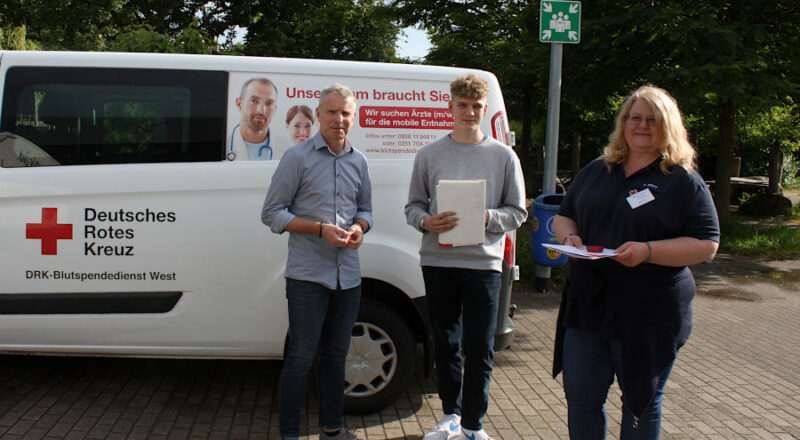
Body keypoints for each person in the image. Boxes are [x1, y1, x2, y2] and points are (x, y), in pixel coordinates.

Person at [551, 85, 720, 440]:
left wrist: (648, 251)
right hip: (589, 303)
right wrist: (570, 238)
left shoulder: (682, 181)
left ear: (668, 126)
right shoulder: (598, 169)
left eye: (652, 120)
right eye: (634, 118)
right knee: (581, 398)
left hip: (648, 309)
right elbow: (563, 216)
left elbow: (706, 245)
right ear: (624, 123)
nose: (642, 126)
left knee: (640, 402)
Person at [405, 74, 527, 440]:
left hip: (483, 265)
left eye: (476, 106)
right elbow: (412, 206)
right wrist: (427, 221)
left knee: (480, 347)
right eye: (462, 105)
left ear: (484, 108)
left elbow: (518, 212)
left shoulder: (504, 156)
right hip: (439, 262)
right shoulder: (428, 154)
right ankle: (450, 416)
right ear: (451, 107)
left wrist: (488, 217)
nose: (469, 112)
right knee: (445, 344)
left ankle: (474, 425)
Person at [262, 84, 371, 440]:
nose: (339, 120)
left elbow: (366, 210)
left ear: (353, 118)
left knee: (335, 358)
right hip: (308, 276)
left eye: (346, 113)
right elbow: (272, 214)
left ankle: (332, 430)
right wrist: (319, 229)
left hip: (348, 278)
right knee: (300, 359)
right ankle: (290, 435)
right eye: (332, 112)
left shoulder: (359, 161)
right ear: (319, 114)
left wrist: (358, 227)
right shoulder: (298, 157)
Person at [229, 77, 278, 161]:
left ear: (274, 109)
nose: (261, 110)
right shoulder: (225, 144)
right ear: (239, 104)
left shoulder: (288, 147)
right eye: (254, 100)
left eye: (269, 103)